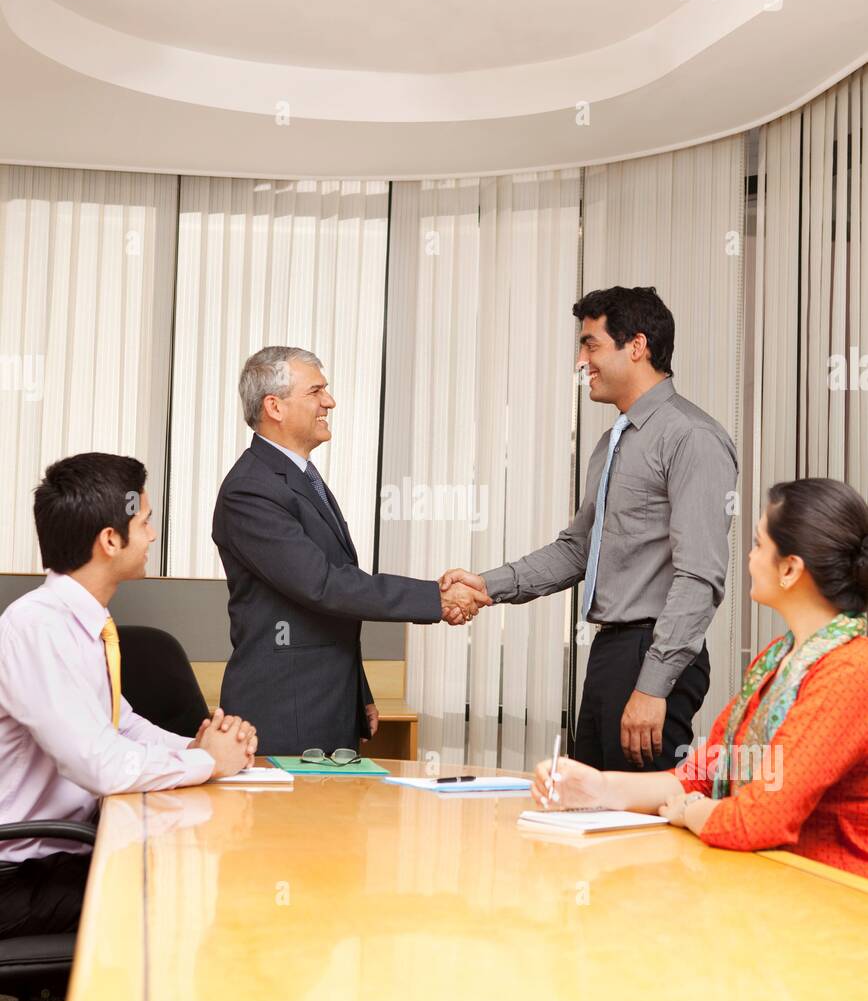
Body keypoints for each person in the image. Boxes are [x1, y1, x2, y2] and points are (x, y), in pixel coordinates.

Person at [442, 285, 738, 770]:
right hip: (611, 651)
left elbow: (699, 576)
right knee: (588, 812)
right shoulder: (612, 442)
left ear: (637, 347)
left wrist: (652, 684)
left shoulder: (692, 437)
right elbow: (579, 550)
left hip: (651, 654)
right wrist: (486, 586)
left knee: (634, 827)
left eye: (591, 344)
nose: (581, 361)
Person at [532, 479, 868, 877]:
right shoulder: (777, 659)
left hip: (830, 900)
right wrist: (597, 789)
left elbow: (758, 819)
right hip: (767, 882)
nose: (749, 555)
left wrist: (691, 812)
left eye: (759, 544)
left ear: (790, 569)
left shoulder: (850, 671)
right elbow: (707, 774)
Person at [0, 453, 258, 937]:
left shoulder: (80, 621)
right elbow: (100, 764)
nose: (152, 534)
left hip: (66, 851)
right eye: (145, 521)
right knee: (182, 889)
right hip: (21, 873)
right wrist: (208, 764)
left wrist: (197, 748)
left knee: (191, 862)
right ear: (110, 540)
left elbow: (119, 721)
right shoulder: (37, 627)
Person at [212, 346, 490, 755]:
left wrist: (358, 689)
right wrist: (436, 597)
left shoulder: (300, 478)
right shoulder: (251, 489)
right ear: (275, 406)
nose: (330, 401)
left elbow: (322, 609)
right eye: (316, 391)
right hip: (285, 709)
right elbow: (323, 585)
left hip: (325, 700)